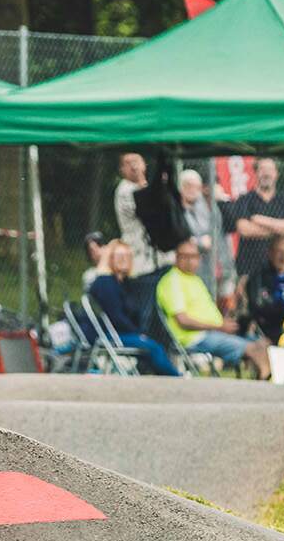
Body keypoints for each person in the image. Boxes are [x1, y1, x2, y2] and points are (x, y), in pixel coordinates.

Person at [157, 238, 272, 377]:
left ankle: (263, 383)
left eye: (194, 256)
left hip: (214, 332)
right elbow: (183, 320)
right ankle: (266, 386)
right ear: (176, 258)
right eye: (185, 256)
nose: (190, 260)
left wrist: (225, 323)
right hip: (193, 337)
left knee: (264, 344)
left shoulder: (195, 279)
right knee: (253, 348)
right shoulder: (172, 281)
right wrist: (217, 327)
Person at [87, 239, 178, 375]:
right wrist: (138, 333)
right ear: (110, 259)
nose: (124, 259)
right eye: (119, 256)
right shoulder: (105, 283)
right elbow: (116, 317)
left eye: (127, 256)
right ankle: (177, 378)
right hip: (110, 335)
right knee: (153, 348)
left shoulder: (125, 283)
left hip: (123, 333)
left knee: (154, 345)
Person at [230, 158, 284, 312]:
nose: (266, 173)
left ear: (276, 174)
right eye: (262, 169)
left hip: (280, 269)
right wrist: (280, 228)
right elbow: (245, 230)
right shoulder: (245, 200)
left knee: (281, 310)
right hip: (248, 268)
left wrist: (260, 220)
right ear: (256, 173)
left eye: (270, 170)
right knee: (249, 309)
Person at [113, 152, 158, 277]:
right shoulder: (124, 190)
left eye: (136, 161)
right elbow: (147, 212)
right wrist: (141, 179)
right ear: (122, 169)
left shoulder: (141, 187)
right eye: (128, 163)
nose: (134, 167)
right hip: (135, 252)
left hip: (150, 252)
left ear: (144, 164)